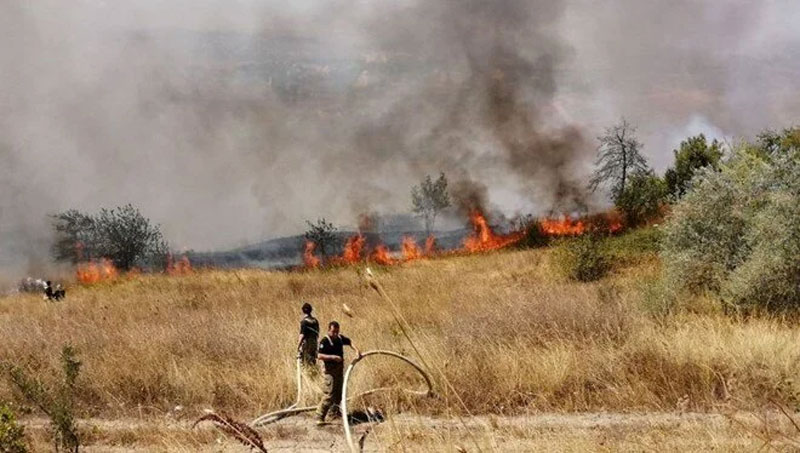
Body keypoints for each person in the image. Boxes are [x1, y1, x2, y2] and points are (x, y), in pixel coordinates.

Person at [315, 321, 361, 425]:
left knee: (339, 393)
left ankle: (334, 413)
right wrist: (333, 357)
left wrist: (357, 350)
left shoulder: (339, 338)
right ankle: (320, 415)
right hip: (330, 372)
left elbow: (349, 341)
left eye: (337, 331)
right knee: (329, 394)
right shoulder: (325, 341)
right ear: (328, 330)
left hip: (339, 371)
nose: (335, 334)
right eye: (333, 332)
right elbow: (319, 356)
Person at [297, 302, 320, 368]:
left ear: (303, 311)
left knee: (306, 363)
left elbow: (302, 335)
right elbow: (317, 333)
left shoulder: (304, 322)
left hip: (307, 345)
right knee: (312, 361)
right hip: (314, 343)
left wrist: (298, 346)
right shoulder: (315, 321)